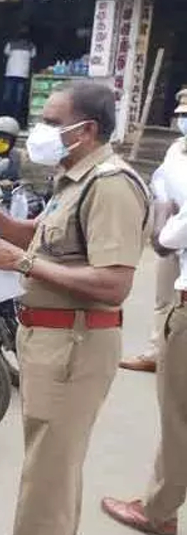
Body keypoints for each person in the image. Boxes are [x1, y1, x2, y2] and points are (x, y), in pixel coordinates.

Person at [0, 80, 150, 535]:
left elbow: (115, 283)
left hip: (75, 344)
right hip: (48, 339)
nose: (39, 130)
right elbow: (34, 235)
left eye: (53, 122)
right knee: (50, 469)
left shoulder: (111, 186)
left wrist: (22, 263)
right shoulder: (72, 180)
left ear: (86, 129)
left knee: (48, 477)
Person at [98, 89, 187, 535]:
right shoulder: (175, 153)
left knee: (179, 418)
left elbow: (168, 238)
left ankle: (158, 511)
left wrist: (163, 224)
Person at [120, 89, 187, 374]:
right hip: (171, 231)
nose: (183, 120)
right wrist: (162, 215)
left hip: (178, 232)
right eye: (181, 115)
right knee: (164, 298)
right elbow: (161, 182)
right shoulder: (176, 149)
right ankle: (156, 354)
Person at [3, 27, 37, 120]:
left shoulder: (10, 44)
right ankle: (16, 117)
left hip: (10, 73)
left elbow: (5, 55)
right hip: (23, 75)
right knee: (19, 98)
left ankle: (6, 116)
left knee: (7, 97)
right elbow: (33, 60)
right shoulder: (31, 46)